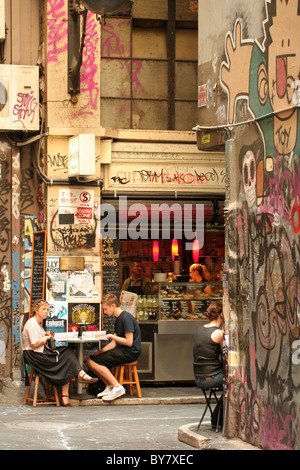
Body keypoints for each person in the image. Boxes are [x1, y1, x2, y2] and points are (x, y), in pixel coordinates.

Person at [22, 299, 98, 407]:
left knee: (67, 354)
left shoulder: (37, 324)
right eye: (43, 309)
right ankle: (79, 377)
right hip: (35, 356)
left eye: (47, 310)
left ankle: (68, 392)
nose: (46, 312)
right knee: (67, 356)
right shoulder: (32, 323)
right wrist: (47, 337)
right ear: (36, 310)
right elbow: (35, 344)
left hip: (39, 353)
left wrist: (46, 334)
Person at [87, 293, 141, 402]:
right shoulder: (119, 319)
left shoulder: (126, 318)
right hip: (122, 350)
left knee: (93, 362)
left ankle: (117, 387)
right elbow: (113, 343)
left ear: (113, 306)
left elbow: (129, 342)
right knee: (91, 359)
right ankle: (109, 387)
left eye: (106, 309)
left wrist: (111, 336)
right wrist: (100, 352)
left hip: (130, 352)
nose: (105, 312)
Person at [193, 301, 224, 428]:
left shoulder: (199, 330)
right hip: (212, 378)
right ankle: (218, 418)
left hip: (198, 378)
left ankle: (217, 418)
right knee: (236, 382)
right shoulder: (218, 333)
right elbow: (225, 355)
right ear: (221, 315)